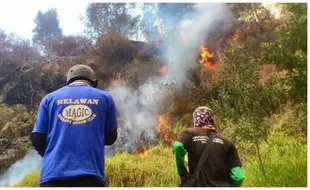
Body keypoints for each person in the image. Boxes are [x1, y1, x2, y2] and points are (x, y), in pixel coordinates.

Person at [30, 64, 118, 187]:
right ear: (93, 81)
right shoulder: (105, 98)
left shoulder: (49, 99)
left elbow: (37, 138)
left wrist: (54, 154)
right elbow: (110, 137)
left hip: (52, 175)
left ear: (69, 80)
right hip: (90, 175)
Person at [172, 106, 245, 187]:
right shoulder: (227, 141)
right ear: (211, 120)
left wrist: (182, 172)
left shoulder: (190, 133)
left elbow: (177, 146)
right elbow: (238, 176)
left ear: (195, 120)